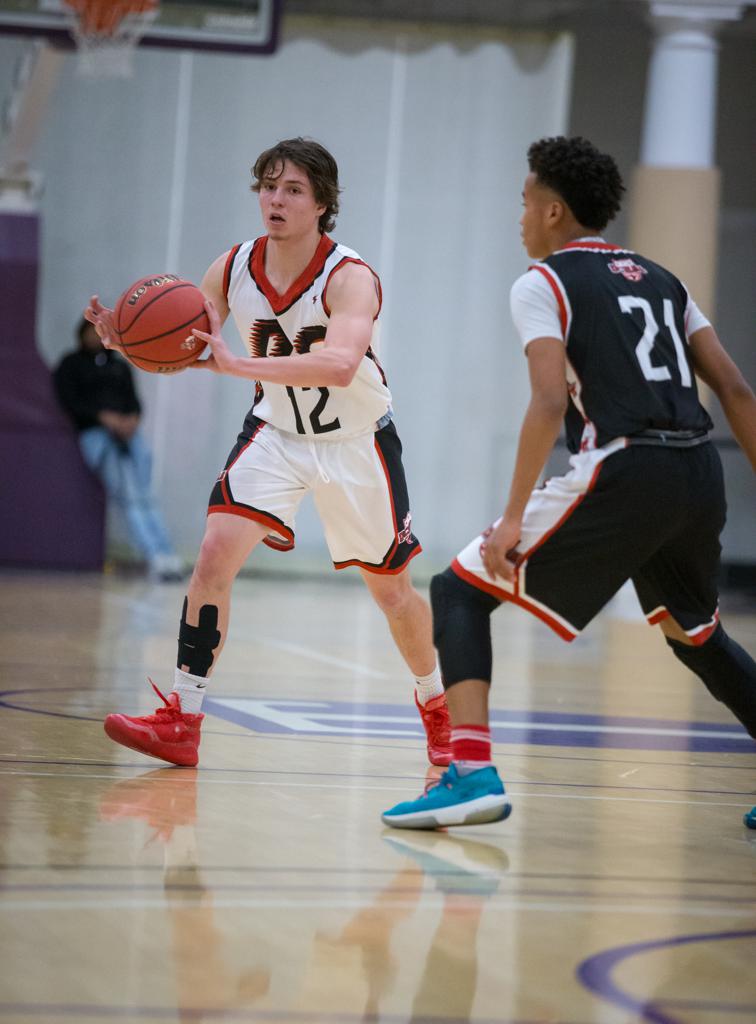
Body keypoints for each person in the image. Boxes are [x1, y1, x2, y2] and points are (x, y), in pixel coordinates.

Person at [382, 135, 756, 830]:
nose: (519, 217)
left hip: (629, 465)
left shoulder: (543, 281)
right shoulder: (662, 278)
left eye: (524, 203)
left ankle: (469, 773)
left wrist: (512, 516)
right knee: (694, 631)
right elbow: (733, 387)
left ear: (553, 212)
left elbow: (550, 401)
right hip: (699, 470)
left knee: (457, 590)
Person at [85, 137, 451, 768]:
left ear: (322, 204)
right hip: (275, 434)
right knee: (211, 560)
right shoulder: (230, 268)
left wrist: (238, 364)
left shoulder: (351, 277)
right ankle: (183, 717)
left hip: (354, 443)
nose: (275, 200)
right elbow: (193, 349)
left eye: (293, 190)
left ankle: (437, 707)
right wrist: (133, 346)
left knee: (392, 593)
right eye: (268, 186)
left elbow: (339, 366)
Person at [53, 317, 184, 582]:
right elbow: (71, 402)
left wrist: (130, 420)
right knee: (130, 496)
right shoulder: (70, 364)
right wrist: (104, 417)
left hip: (130, 435)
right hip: (98, 436)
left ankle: (167, 553)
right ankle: (154, 556)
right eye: (90, 332)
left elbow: (134, 401)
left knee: (146, 495)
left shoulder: (119, 366)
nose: (94, 338)